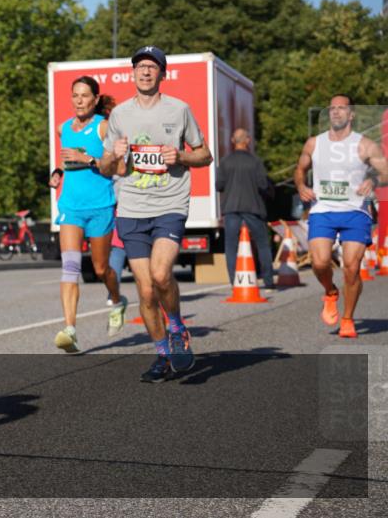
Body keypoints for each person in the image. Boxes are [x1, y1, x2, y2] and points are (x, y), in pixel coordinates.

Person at [99, 46, 212, 382]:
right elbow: (106, 169)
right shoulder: (119, 115)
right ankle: (163, 355)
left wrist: (181, 157)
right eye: (140, 67)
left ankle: (176, 327)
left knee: (162, 275)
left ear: (162, 74)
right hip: (132, 209)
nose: (145, 72)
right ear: (132, 74)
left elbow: (204, 155)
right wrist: (114, 155)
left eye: (152, 67)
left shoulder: (179, 110)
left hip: (170, 205)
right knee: (146, 292)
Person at [293, 94, 388, 338]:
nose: (335, 112)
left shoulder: (365, 145)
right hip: (322, 210)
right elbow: (300, 170)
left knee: (352, 268)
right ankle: (330, 291)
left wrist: (373, 179)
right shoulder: (314, 143)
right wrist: (301, 186)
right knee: (320, 262)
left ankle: (347, 319)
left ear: (351, 114)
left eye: (341, 108)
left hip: (355, 212)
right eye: (332, 108)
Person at [49, 76, 127, 352]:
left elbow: (118, 169)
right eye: (75, 95)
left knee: (101, 268)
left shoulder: (103, 127)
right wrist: (58, 173)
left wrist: (90, 160)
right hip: (70, 206)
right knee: (70, 267)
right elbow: (65, 160)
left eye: (85, 96)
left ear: (95, 99)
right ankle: (70, 330)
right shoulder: (63, 128)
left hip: (100, 206)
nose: (79, 100)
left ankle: (117, 300)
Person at [216, 128, 275, 290]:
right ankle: (268, 281)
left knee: (230, 246)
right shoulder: (255, 161)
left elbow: (218, 185)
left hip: (231, 208)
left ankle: (235, 281)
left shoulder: (225, 161)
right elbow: (263, 184)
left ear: (232, 141)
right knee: (263, 243)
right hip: (253, 207)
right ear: (247, 140)